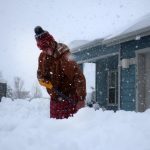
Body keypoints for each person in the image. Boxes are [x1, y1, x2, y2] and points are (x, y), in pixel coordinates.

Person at [34, 26, 86, 119]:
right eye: (42, 49)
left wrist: (81, 99)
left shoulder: (64, 56)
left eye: (46, 48)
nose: (45, 51)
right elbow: (40, 74)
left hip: (69, 99)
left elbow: (78, 76)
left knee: (71, 128)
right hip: (54, 100)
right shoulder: (43, 56)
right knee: (55, 129)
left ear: (51, 43)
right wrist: (42, 80)